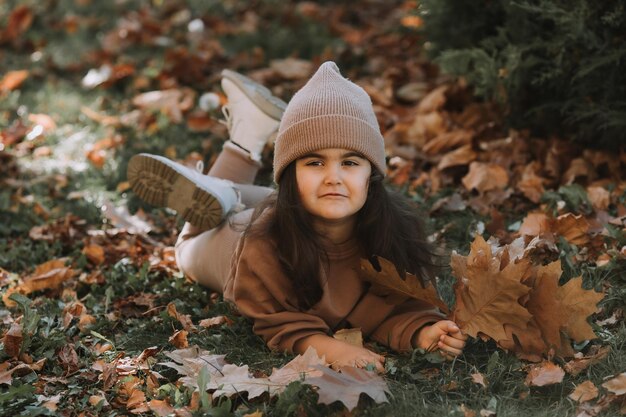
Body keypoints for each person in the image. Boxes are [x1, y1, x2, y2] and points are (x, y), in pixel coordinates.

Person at [127, 62, 467, 372]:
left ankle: (237, 162)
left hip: (293, 204)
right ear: (291, 174)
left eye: (349, 163)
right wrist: (332, 349)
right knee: (185, 250)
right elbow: (281, 324)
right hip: (238, 241)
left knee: (260, 196)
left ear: (371, 175)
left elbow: (397, 308)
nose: (334, 176)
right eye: (315, 162)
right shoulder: (262, 245)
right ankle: (226, 184)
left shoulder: (394, 235)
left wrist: (424, 331)